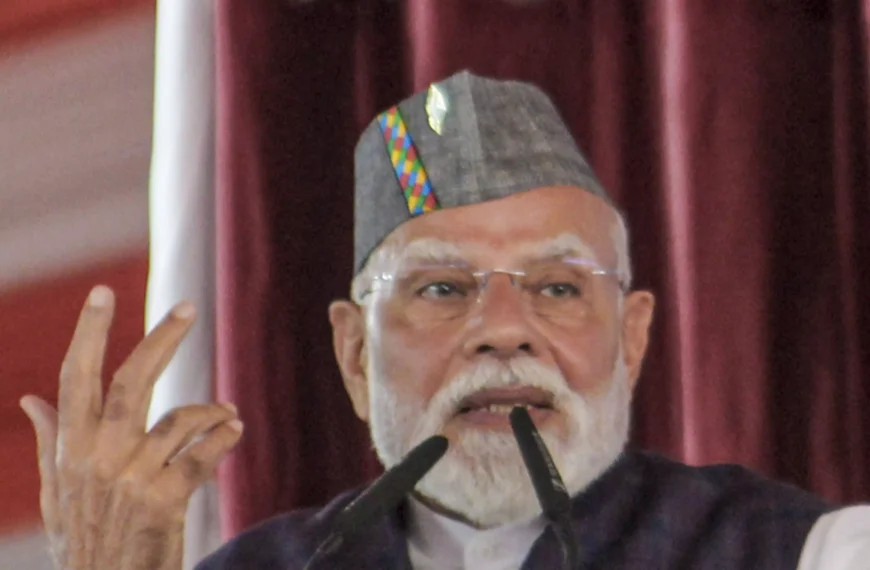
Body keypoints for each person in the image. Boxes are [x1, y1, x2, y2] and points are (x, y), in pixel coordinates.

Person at [20, 71, 869, 570]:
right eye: (439, 289)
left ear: (634, 337)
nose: (503, 329)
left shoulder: (807, 555)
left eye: (559, 287)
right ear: (354, 354)